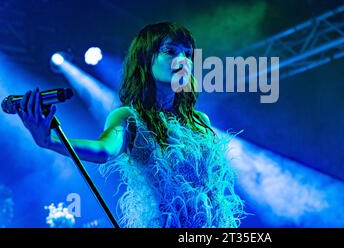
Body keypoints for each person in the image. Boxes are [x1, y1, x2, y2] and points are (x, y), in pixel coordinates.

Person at [17, 22, 247, 228]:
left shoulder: (200, 121)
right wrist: (49, 141)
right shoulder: (128, 117)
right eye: (170, 51)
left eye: (188, 54)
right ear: (146, 60)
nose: (183, 60)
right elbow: (103, 149)